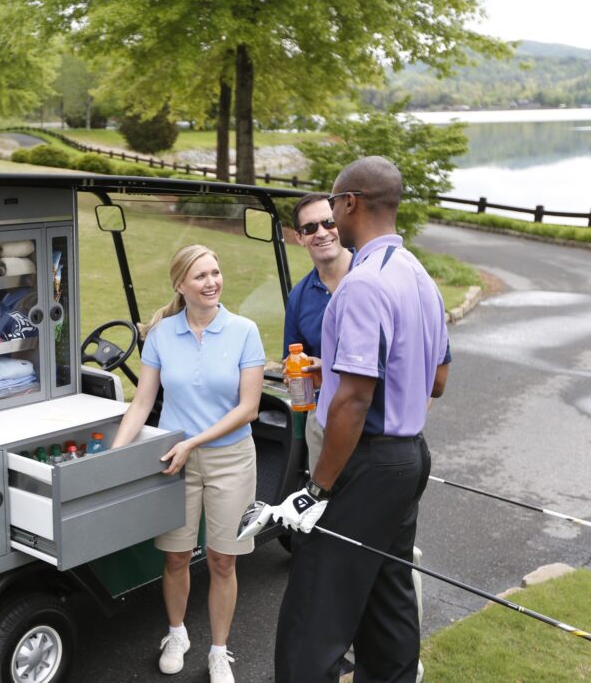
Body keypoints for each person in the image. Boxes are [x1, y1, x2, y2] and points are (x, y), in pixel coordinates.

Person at [244, 156, 451, 682]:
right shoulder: (418, 274)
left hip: (366, 462)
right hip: (409, 457)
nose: (331, 218)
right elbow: (437, 380)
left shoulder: (362, 284)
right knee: (387, 596)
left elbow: (354, 400)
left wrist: (317, 488)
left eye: (334, 206)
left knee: (313, 613)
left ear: (352, 202)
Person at [112, 244, 266, 683]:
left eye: (216, 272)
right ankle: (176, 633)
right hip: (176, 461)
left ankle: (219, 650)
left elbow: (248, 407)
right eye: (200, 276)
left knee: (222, 559)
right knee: (176, 557)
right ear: (180, 284)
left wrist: (193, 442)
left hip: (231, 459)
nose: (212, 282)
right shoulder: (161, 335)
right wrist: (115, 460)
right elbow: (142, 403)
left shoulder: (244, 331)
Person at [282, 192, 353, 471]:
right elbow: (294, 362)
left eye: (328, 223)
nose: (322, 233)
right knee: (325, 511)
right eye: (310, 228)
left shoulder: (373, 274)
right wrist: (294, 372)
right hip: (323, 424)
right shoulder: (298, 297)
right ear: (299, 237)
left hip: (378, 423)